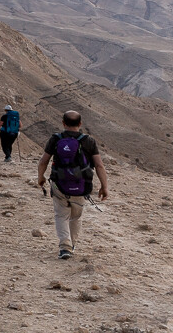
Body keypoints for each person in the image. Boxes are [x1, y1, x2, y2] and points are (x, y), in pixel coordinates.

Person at [37, 111, 109, 259]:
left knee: (61, 215)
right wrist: (104, 186)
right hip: (81, 187)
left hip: (59, 185)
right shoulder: (89, 141)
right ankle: (72, 245)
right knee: (75, 217)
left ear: (63, 123)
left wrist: (41, 177)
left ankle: (65, 247)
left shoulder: (56, 139)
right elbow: (99, 165)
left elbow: (43, 161)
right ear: (80, 124)